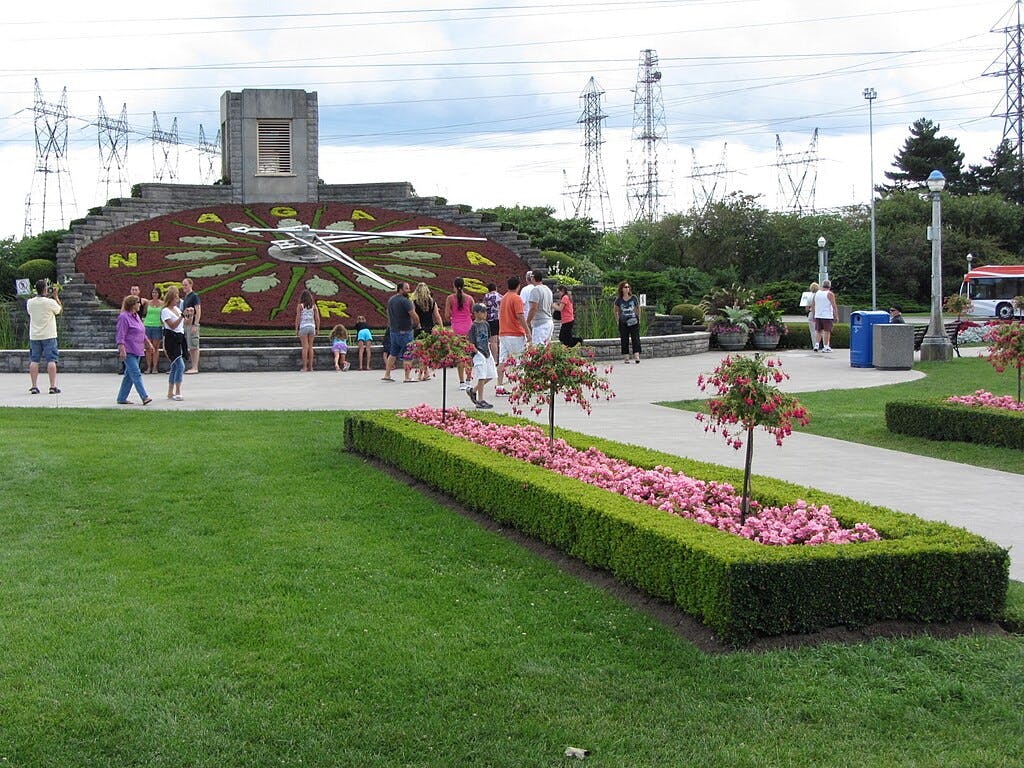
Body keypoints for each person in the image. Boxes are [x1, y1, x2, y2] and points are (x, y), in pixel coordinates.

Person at [494, 275, 530, 397]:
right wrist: (528, 332)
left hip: (503, 332)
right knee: (521, 361)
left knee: (502, 361)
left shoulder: (504, 298)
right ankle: (521, 387)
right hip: (515, 333)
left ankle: (499, 386)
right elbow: (520, 316)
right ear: (518, 286)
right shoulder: (517, 298)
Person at [26, 278, 63, 395]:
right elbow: (59, 310)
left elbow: (30, 312)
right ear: (45, 289)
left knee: (34, 360)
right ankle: (52, 386)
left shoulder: (30, 302)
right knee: (51, 360)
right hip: (49, 335)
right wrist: (56, 296)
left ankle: (34, 386)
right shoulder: (50, 302)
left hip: (35, 335)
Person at [115, 295, 152, 405]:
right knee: (136, 373)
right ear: (132, 305)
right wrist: (122, 348)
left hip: (138, 349)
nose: (140, 305)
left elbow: (141, 331)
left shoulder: (136, 317)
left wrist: (148, 343)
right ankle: (144, 396)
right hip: (128, 349)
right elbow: (120, 334)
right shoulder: (124, 317)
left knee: (129, 375)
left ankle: (121, 398)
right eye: (138, 303)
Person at [382, 282, 420, 383]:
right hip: (405, 332)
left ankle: (387, 374)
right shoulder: (405, 301)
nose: (409, 290)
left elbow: (388, 313)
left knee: (393, 353)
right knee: (408, 354)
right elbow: (414, 315)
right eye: (406, 289)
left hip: (393, 331)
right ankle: (407, 377)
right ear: (400, 289)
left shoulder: (391, 300)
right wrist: (416, 324)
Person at [444, 277, 476, 389]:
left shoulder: (450, 299)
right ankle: (468, 380)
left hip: (456, 329)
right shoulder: (469, 298)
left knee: (459, 356)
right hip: (469, 328)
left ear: (454, 285)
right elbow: (474, 313)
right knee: (468, 356)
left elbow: (447, 315)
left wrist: (454, 316)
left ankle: (461, 382)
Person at [465, 303, 496, 409]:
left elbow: (488, 337)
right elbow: (471, 342)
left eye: (485, 311)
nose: (485, 314)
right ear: (476, 313)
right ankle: (480, 400)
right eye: (482, 312)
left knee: (491, 374)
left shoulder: (486, 324)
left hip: (487, 351)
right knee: (481, 376)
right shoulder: (473, 326)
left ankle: (473, 391)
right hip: (478, 353)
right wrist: (477, 352)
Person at [412, 282, 443, 381]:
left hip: (419, 328)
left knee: (421, 352)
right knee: (426, 352)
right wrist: (441, 328)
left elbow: (413, 316)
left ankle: (423, 373)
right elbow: (437, 316)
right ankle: (425, 372)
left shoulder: (415, 302)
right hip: (430, 328)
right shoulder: (432, 302)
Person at [161, 285, 186, 401]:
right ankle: (178, 390)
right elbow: (172, 325)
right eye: (176, 297)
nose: (178, 299)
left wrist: (188, 315)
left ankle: (170, 391)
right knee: (180, 366)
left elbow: (183, 323)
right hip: (171, 339)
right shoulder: (165, 311)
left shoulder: (177, 310)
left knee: (175, 366)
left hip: (179, 338)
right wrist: (182, 317)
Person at [614, 280, 642, 364]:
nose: (627, 289)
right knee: (624, 339)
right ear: (621, 289)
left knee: (636, 338)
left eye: (628, 287)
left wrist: (639, 318)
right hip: (623, 322)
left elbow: (638, 308)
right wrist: (617, 320)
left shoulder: (634, 298)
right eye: (625, 287)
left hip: (633, 321)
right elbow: (615, 311)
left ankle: (636, 356)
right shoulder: (618, 300)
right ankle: (626, 357)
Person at [526, 269, 554, 345]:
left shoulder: (535, 290)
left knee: (538, 349)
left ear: (533, 278)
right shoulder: (548, 290)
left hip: (540, 323)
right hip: (549, 321)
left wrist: (527, 322)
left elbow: (533, 308)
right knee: (546, 348)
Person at [295, 289, 321, 372]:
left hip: (303, 327)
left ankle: (305, 367)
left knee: (305, 347)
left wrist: (296, 329)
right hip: (312, 326)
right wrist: (318, 329)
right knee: (310, 347)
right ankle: (311, 367)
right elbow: (317, 318)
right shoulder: (314, 306)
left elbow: (298, 318)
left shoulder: (300, 306)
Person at [180, 277, 202, 373]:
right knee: (190, 346)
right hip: (187, 324)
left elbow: (198, 310)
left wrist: (196, 324)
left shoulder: (194, 296)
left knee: (194, 345)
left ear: (191, 285)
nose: (184, 287)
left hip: (192, 324)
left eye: (186, 285)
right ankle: (193, 366)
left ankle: (195, 367)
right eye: (183, 285)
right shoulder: (186, 297)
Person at [813, 279, 839, 353]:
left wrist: (815, 314)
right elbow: (834, 305)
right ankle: (826, 346)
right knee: (827, 331)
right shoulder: (830, 294)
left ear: (822, 285)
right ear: (830, 286)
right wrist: (836, 315)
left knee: (818, 331)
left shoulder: (817, 293)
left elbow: (813, 304)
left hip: (818, 315)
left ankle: (816, 345)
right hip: (827, 315)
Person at [143, 285, 164, 374]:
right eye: (153, 292)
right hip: (147, 325)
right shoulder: (148, 303)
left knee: (155, 347)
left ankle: (155, 367)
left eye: (156, 293)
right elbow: (144, 312)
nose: (154, 294)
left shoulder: (162, 303)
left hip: (157, 326)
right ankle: (148, 367)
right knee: (148, 347)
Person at [483, 281, 502, 361]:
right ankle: (501, 357)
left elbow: (484, 308)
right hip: (500, 319)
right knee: (500, 339)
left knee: (493, 341)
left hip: (490, 319)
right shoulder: (500, 296)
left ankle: (494, 359)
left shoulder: (486, 296)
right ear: (496, 288)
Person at [800, 282, 819, 350]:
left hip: (811, 314)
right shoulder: (818, 296)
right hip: (819, 314)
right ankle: (820, 344)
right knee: (819, 330)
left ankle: (815, 345)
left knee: (813, 331)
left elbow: (807, 308)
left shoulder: (809, 296)